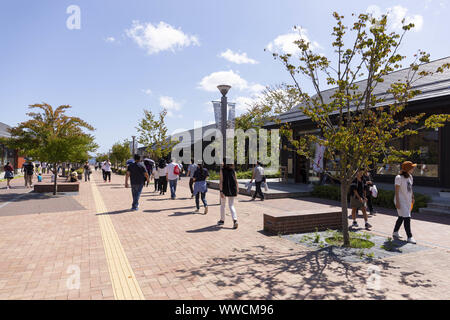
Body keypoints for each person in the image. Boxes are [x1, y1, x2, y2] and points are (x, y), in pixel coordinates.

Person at [393, 161, 417, 244]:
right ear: (407, 169)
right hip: (400, 200)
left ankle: (395, 232)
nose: (413, 169)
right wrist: (398, 202)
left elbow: (411, 188)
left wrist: (412, 197)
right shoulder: (398, 177)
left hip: (408, 200)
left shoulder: (410, 177)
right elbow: (396, 191)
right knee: (407, 217)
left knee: (401, 217)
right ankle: (409, 237)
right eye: (412, 167)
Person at [218, 159, 239, 229]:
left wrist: (221, 191)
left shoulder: (222, 170)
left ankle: (222, 220)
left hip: (224, 189)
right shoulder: (233, 170)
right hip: (232, 189)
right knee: (231, 205)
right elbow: (236, 181)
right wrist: (237, 189)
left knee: (223, 205)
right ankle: (235, 220)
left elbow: (221, 181)